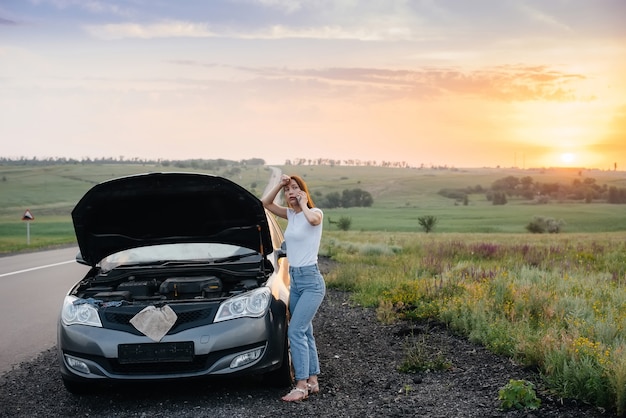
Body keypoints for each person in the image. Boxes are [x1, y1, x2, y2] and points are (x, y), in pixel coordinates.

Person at [261, 173, 326, 402]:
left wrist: (302, 203)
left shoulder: (315, 213)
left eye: (295, 188)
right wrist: (279, 183)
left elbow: (313, 221)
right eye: (288, 190)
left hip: (312, 282)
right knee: (305, 330)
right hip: (296, 281)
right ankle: (313, 380)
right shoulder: (290, 215)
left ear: (304, 191)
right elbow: (266, 204)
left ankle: (300, 385)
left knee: (296, 330)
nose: (291, 192)